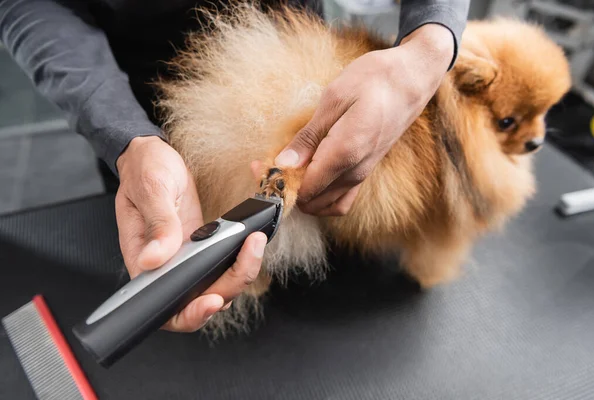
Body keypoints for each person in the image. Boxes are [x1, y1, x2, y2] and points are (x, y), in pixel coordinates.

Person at [0, 0, 470, 333]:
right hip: (152, 110)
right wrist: (126, 136)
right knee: (179, 251)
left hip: (311, 72)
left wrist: (427, 49)